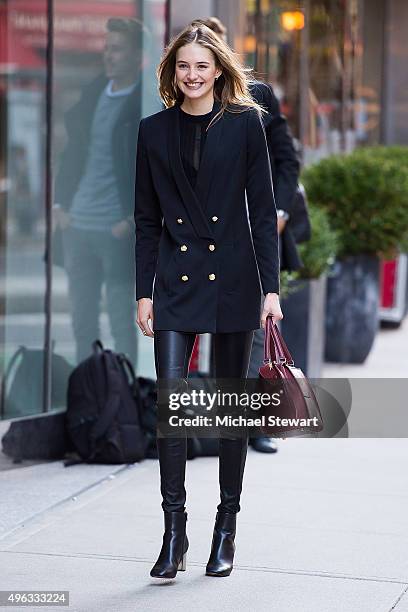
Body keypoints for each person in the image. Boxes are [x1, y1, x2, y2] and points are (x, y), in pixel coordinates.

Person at [135, 23, 283, 580]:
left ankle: (226, 527)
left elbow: (263, 212)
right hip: (174, 280)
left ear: (218, 70)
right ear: (172, 72)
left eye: (201, 65)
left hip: (233, 283)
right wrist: (143, 291)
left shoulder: (245, 126)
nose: (192, 75)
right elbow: (147, 221)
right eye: (182, 66)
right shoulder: (153, 132)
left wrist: (270, 289)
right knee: (170, 411)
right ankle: (174, 533)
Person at [192, 18, 302, 454]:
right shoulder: (176, 100)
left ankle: (251, 424)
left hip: (249, 232)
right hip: (197, 234)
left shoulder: (256, 97)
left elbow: (286, 160)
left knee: (251, 327)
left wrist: (276, 211)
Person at [54, 18, 147, 368]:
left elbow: (154, 169)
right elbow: (73, 153)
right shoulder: (93, 94)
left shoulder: (144, 102)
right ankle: (86, 399)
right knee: (82, 325)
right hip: (78, 225)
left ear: (137, 54)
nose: (108, 56)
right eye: (106, 48)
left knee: (124, 325)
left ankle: (124, 403)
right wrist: (61, 205)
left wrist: (130, 220)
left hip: (116, 230)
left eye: (117, 49)